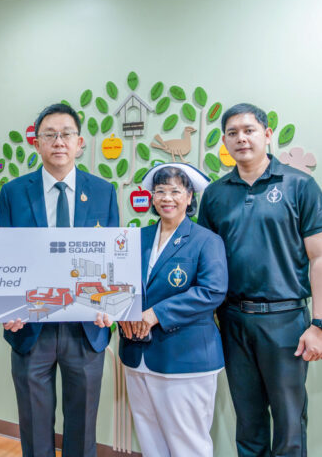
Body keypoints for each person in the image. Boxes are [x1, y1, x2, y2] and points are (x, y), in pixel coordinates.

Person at [198, 103, 322, 457]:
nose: (241, 138)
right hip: (232, 321)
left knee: (290, 424)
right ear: (225, 141)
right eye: (232, 133)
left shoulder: (299, 185)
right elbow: (207, 261)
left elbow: (320, 259)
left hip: (285, 321)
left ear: (267, 134)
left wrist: (320, 325)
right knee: (248, 423)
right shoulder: (215, 194)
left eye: (249, 130)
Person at [0, 102, 119, 457]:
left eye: (66, 134)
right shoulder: (13, 192)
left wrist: (110, 304)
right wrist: (8, 309)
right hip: (31, 326)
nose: (58, 141)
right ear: (36, 143)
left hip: (86, 326)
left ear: (79, 142)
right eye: (49, 135)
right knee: (34, 428)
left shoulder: (103, 191)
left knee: (82, 428)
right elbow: (5, 258)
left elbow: (112, 256)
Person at [97, 163, 228, 457]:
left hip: (185, 358)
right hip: (137, 355)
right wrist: (120, 313)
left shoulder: (207, 240)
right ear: (152, 198)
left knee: (188, 444)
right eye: (160, 191)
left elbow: (212, 291)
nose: (167, 198)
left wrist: (155, 313)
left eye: (175, 191)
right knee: (150, 441)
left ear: (189, 197)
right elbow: (118, 284)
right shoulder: (136, 238)